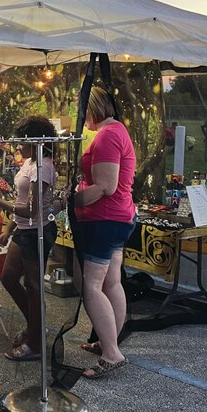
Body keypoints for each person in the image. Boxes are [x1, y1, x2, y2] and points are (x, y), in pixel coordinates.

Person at [73, 86, 136, 378]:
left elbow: (106, 187)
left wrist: (72, 199)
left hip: (105, 219)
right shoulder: (117, 131)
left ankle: (112, 353)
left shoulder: (109, 135)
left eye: (82, 111)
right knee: (112, 282)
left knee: (92, 286)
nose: (81, 118)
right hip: (119, 218)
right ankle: (107, 341)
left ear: (93, 108)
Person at [0, 115, 58, 362]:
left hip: (37, 231)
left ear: (37, 141)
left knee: (34, 286)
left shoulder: (44, 166)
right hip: (23, 230)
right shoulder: (29, 162)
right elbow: (21, 202)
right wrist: (8, 228)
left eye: (22, 141)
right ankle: (35, 326)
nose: (18, 146)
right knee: (8, 278)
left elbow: (33, 210)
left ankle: (36, 344)